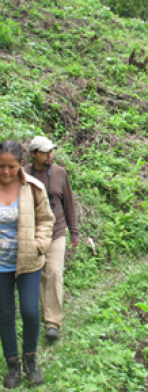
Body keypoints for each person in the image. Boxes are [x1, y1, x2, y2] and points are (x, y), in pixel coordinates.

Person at [0, 140, 54, 388]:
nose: (6, 172)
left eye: (11, 166)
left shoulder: (33, 188)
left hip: (29, 261)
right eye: (1, 167)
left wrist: (40, 244)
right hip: (1, 266)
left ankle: (30, 359)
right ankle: (13, 364)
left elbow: (46, 219)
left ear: (21, 164)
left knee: (31, 312)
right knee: (5, 314)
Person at [24, 136, 79, 341]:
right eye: (45, 152)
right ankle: (42, 316)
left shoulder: (59, 173)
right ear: (33, 154)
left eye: (51, 151)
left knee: (54, 272)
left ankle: (52, 322)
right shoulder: (24, 175)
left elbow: (69, 204)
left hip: (56, 232)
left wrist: (74, 232)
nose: (50, 155)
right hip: (33, 234)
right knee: (38, 275)